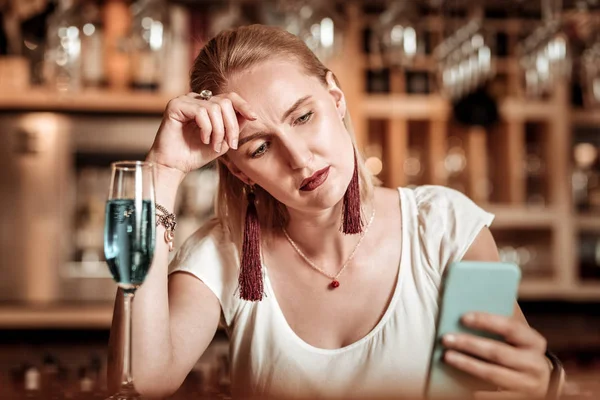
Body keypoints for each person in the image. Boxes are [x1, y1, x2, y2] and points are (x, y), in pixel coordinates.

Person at [107, 24, 562, 400]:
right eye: (260, 147)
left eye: (303, 117)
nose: (300, 159)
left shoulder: (444, 227)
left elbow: (505, 383)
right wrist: (161, 172)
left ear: (336, 100)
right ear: (239, 171)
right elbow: (139, 382)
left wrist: (544, 384)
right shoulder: (220, 253)